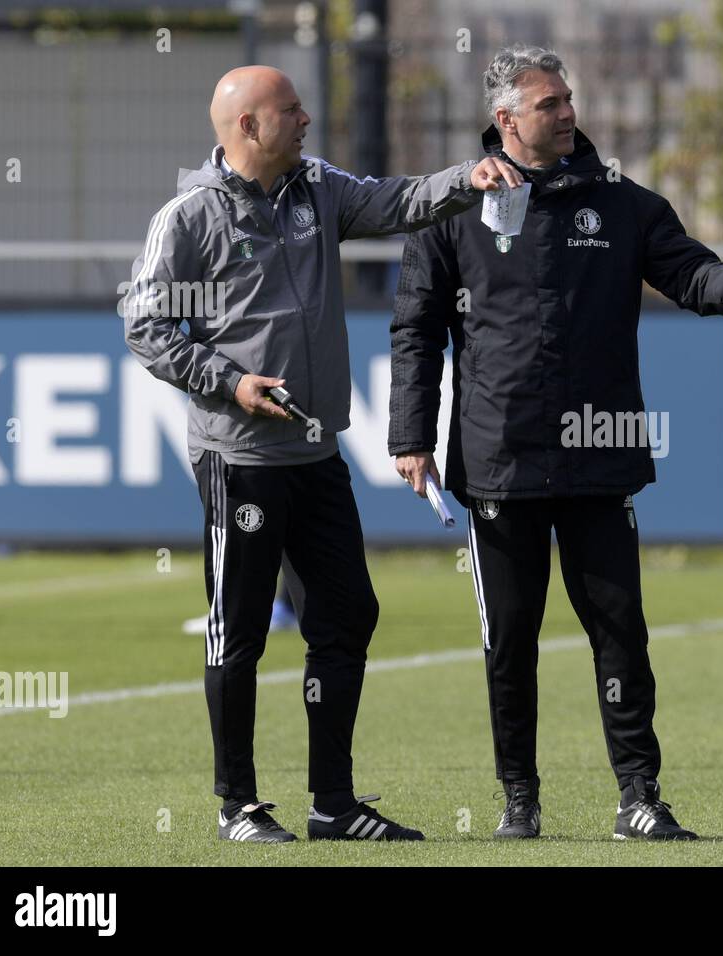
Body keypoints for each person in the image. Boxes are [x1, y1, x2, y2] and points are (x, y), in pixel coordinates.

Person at [389, 45, 723, 841]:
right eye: (550, 105)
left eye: (568, 99)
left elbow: (687, 270)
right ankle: (519, 800)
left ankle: (639, 797)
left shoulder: (624, 204)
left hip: (600, 454)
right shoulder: (454, 211)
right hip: (499, 455)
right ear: (506, 121)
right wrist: (411, 436)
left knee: (620, 633)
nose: (568, 113)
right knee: (510, 642)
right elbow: (416, 329)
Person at [124, 65, 522, 844]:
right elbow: (146, 327)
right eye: (290, 110)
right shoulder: (191, 217)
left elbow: (398, 201)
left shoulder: (316, 189)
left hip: (316, 455)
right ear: (247, 127)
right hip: (238, 459)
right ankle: (238, 806)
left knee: (346, 617)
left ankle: (332, 806)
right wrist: (231, 384)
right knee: (236, 630)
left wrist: (465, 180)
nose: (306, 119)